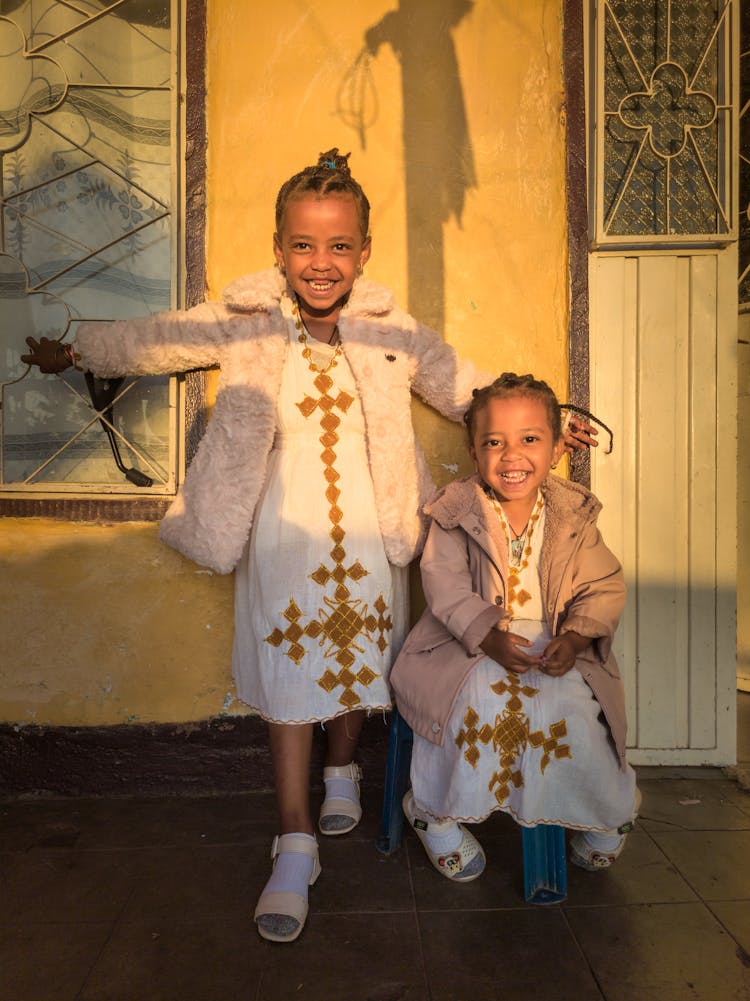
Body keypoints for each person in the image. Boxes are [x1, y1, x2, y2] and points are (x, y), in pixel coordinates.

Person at [21, 152, 594, 941]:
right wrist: (80, 349)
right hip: (280, 527)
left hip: (372, 523)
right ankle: (293, 842)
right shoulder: (248, 318)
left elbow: (470, 385)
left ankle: (341, 769)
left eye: (337, 247)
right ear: (279, 247)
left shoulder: (392, 332)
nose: (319, 264)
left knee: (362, 656)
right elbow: (158, 337)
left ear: (363, 250)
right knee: (290, 668)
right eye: (302, 245)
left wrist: (552, 417)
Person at [389, 372, 639, 883]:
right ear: (473, 449)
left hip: (555, 641)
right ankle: (435, 810)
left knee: (569, 705)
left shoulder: (572, 514)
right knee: (479, 699)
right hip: (466, 642)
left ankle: (602, 809)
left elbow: (603, 585)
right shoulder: (456, 511)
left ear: (553, 446)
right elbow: (445, 586)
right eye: (494, 442)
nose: (512, 455)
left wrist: (573, 637)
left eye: (530, 440)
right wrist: (487, 635)